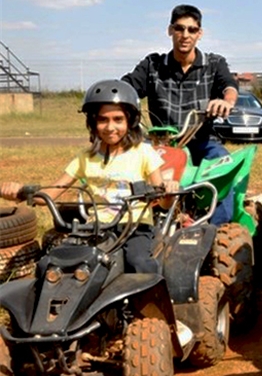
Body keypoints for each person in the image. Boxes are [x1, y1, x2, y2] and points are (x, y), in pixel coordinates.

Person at [0, 79, 178, 273]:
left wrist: (168, 191)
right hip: (95, 228)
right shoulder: (85, 158)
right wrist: (19, 192)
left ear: (131, 121)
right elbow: (50, 194)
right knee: (50, 264)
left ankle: (153, 303)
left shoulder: (143, 152)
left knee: (140, 264)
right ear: (93, 122)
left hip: (135, 227)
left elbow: (163, 203)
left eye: (118, 119)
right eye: (103, 119)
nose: (110, 127)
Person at [122, 4, 238, 225]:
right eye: (180, 28)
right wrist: (115, 99)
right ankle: (129, 223)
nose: (185, 35)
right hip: (160, 142)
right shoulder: (153, 65)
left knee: (222, 165)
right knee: (126, 167)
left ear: (199, 33)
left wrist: (226, 101)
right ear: (170, 30)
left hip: (202, 140)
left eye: (192, 30)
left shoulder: (214, 64)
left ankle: (215, 230)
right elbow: (128, 86)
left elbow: (229, 86)